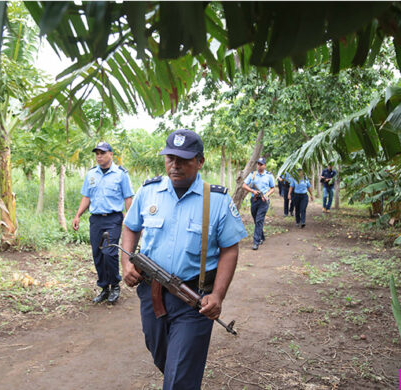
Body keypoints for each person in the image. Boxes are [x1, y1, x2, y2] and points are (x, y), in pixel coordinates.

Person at [121, 129, 247, 390]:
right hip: (150, 293)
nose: (174, 165)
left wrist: (218, 296)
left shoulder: (218, 201)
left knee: (179, 376)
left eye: (183, 159)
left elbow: (229, 250)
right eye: (170, 158)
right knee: (161, 355)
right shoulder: (149, 191)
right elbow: (130, 226)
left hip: (194, 298)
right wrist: (127, 264)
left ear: (200, 162)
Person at [72, 141, 134, 304]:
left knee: (109, 252)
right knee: (98, 254)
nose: (99, 156)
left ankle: (115, 286)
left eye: (103, 153)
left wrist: (131, 218)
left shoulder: (121, 174)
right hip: (96, 220)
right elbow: (87, 197)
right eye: (97, 153)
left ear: (111, 155)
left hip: (113, 219)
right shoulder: (91, 174)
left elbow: (128, 197)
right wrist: (78, 215)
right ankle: (104, 288)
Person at [242, 157, 275, 250]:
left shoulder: (269, 176)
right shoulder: (252, 175)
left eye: (261, 164)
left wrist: (267, 195)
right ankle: (261, 237)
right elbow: (244, 185)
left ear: (265, 165)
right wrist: (252, 191)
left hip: (264, 201)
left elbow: (272, 188)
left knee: (259, 220)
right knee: (256, 219)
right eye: (258, 164)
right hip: (254, 200)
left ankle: (256, 242)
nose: (259, 166)